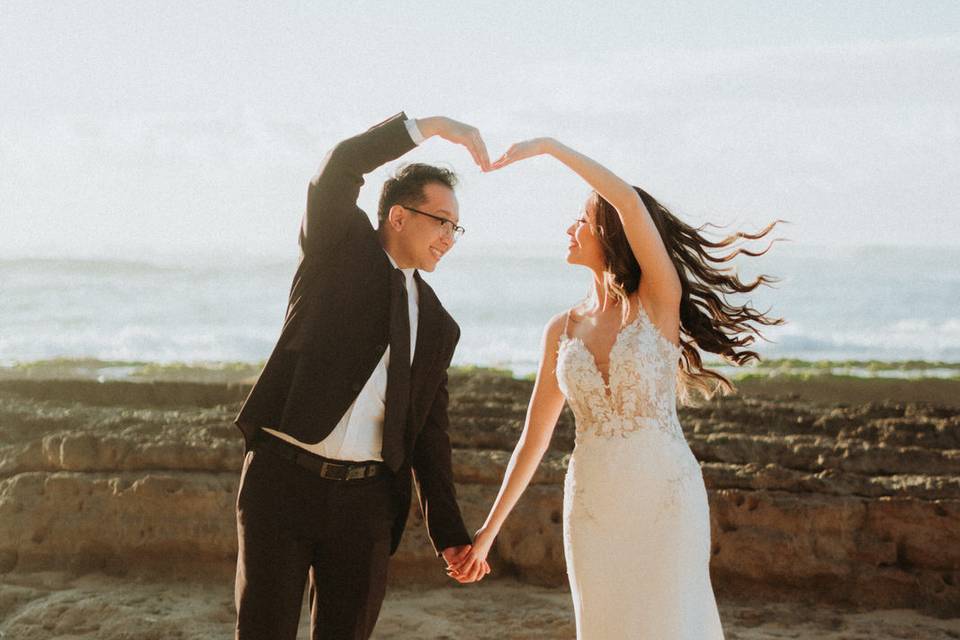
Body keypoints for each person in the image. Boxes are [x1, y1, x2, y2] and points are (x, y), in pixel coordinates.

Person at [449, 137, 785, 638]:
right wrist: (487, 534)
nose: (569, 229)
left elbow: (626, 200)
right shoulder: (562, 329)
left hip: (664, 496)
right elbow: (533, 439)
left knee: (672, 621)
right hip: (593, 504)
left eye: (582, 221)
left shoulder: (657, 300)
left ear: (611, 234)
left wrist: (549, 148)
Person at [232, 112, 492, 639]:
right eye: (441, 220)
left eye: (455, 226)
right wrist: (431, 126)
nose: (450, 237)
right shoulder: (337, 249)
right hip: (282, 482)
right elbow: (341, 165)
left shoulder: (439, 325)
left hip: (368, 506)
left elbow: (429, 436)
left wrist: (451, 534)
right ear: (398, 216)